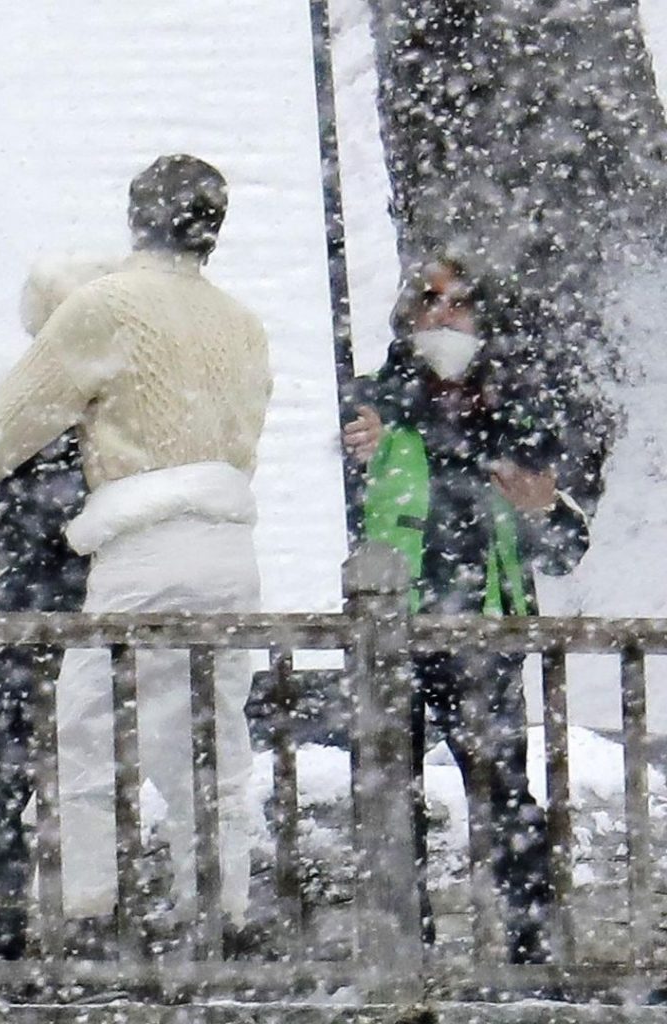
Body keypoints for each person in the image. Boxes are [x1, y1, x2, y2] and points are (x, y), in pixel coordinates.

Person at [0, 155, 272, 936]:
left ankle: (89, 907)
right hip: (230, 546)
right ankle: (221, 903)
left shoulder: (106, 306)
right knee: (213, 734)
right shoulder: (243, 322)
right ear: (215, 227)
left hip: (142, 540)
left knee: (87, 728)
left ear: (137, 216)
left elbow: (13, 416)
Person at [343, 255, 592, 964]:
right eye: (431, 301)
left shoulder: (514, 406)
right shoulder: (373, 401)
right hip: (391, 630)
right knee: (391, 804)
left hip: (483, 629)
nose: (444, 315)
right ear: (409, 314)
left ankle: (531, 955)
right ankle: (401, 960)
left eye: (460, 302)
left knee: (506, 799)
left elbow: (563, 540)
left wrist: (545, 508)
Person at [0, 257, 115, 958]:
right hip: (51, 616)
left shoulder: (109, 410)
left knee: (81, 775)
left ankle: (69, 927)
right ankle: (11, 930)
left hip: (77, 613)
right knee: (12, 779)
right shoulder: (38, 412)